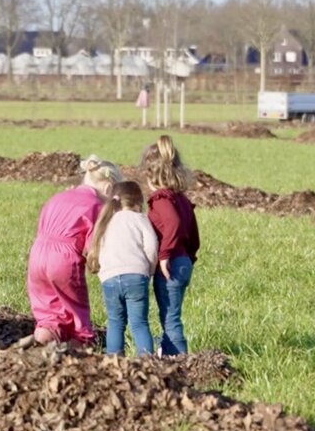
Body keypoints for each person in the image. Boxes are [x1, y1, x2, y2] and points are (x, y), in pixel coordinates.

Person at [26, 155, 122, 349]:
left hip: (37, 255)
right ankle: (79, 356)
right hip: (63, 259)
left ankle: (38, 350)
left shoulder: (58, 197)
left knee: (49, 315)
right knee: (77, 316)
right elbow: (92, 246)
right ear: (109, 188)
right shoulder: (97, 206)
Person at [140, 135, 200, 356]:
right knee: (170, 315)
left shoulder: (161, 200)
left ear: (150, 175)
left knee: (170, 320)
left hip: (171, 264)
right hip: (183, 261)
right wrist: (188, 259)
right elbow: (194, 236)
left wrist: (165, 254)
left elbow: (172, 223)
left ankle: (180, 364)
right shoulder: (181, 199)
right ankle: (167, 355)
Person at [87, 181, 158, 357]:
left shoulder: (104, 222)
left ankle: (113, 364)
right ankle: (147, 364)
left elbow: (96, 249)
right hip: (136, 276)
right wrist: (149, 270)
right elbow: (151, 246)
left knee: (115, 322)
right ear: (138, 202)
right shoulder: (140, 219)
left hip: (109, 279)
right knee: (139, 323)